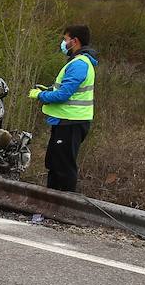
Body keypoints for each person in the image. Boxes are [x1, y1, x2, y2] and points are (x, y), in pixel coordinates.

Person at [29, 25, 96, 192]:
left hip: (72, 122)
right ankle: (51, 204)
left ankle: (62, 207)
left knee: (63, 167)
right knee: (54, 163)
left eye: (65, 39)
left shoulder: (80, 64)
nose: (63, 43)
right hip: (65, 121)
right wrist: (47, 90)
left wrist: (40, 96)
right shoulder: (76, 62)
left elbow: (63, 95)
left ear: (75, 41)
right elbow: (63, 89)